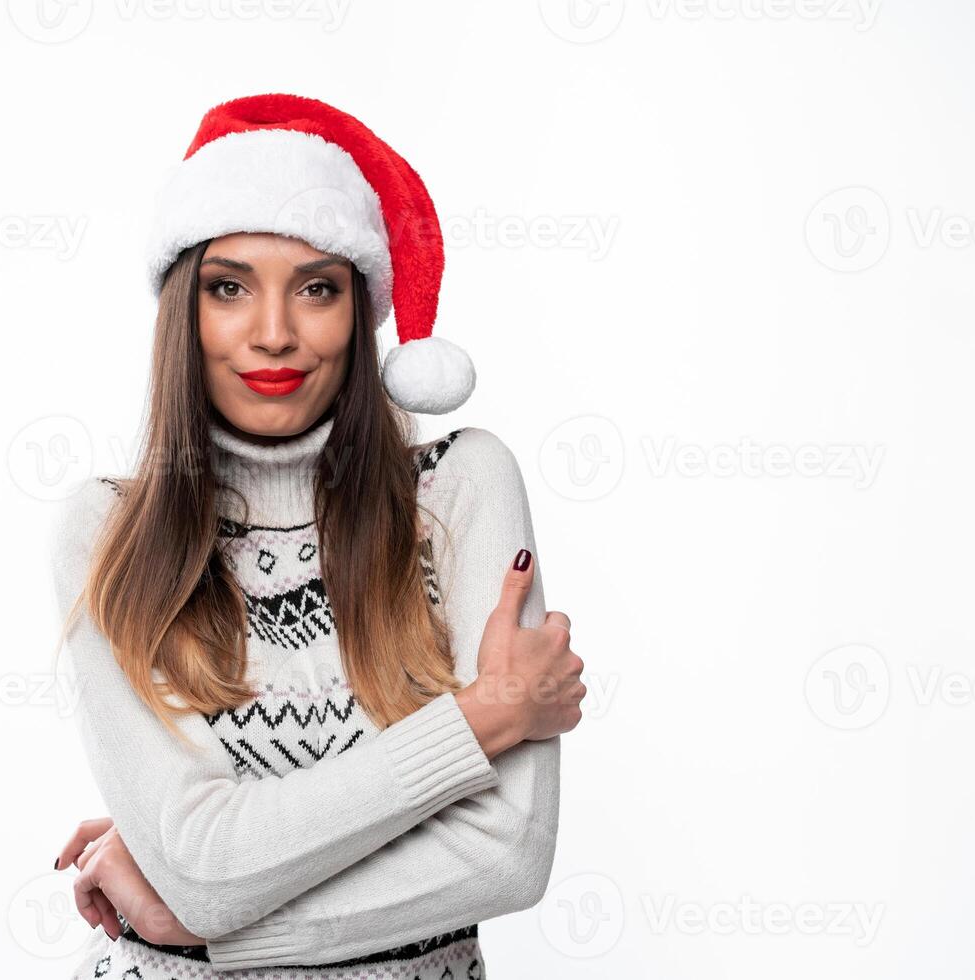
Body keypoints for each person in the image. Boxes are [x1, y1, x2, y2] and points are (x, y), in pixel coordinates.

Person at [48, 93, 586, 977]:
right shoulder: (107, 529)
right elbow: (205, 865)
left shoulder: (460, 488)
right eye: (229, 287)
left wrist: (218, 924)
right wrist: (482, 716)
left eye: (316, 289)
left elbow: (507, 856)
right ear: (184, 310)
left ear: (360, 310)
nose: (273, 334)